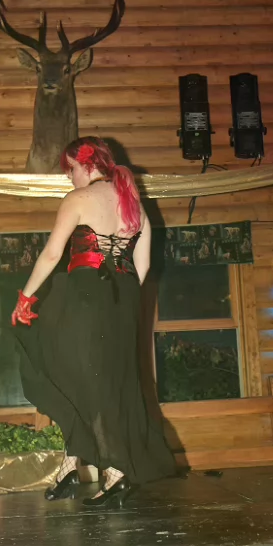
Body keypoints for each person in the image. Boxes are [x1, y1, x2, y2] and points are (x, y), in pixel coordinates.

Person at [10, 137, 177, 508]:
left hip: (86, 294)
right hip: (123, 299)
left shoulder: (79, 199)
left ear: (85, 164)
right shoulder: (134, 204)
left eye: (70, 169)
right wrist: (120, 298)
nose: (69, 178)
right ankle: (73, 464)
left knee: (62, 367)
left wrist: (25, 298)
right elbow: (143, 266)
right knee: (101, 380)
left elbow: (52, 254)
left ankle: (112, 471)